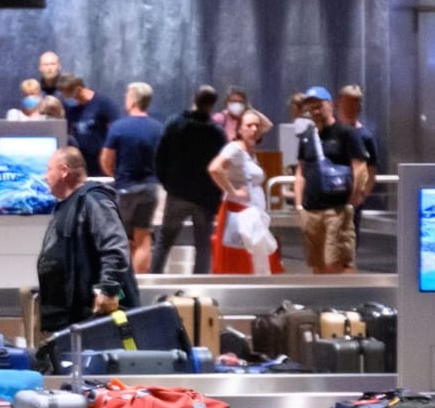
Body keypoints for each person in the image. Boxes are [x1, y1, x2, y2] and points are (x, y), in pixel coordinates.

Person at [37, 146, 134, 334]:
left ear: (64, 171)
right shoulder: (68, 205)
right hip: (68, 317)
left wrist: (108, 289)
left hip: (94, 317)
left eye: (49, 169)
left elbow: (114, 245)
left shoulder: (93, 199)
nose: (45, 176)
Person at [294, 85, 373, 274]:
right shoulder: (307, 137)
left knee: (337, 262)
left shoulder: (346, 133)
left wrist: (353, 199)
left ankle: (345, 302)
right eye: (310, 107)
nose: (314, 110)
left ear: (330, 105)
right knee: (318, 264)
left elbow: (360, 167)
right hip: (311, 210)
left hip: (337, 210)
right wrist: (299, 206)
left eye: (318, 105)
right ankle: (321, 303)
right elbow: (301, 171)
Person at [150, 85, 225, 277]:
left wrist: (168, 184)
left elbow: (160, 156)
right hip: (204, 198)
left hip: (177, 193)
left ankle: (154, 279)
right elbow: (222, 166)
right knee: (203, 245)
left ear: (194, 98)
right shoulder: (217, 132)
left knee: (164, 242)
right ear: (213, 105)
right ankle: (200, 286)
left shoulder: (175, 123)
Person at [206, 107, 282, 276]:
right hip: (239, 214)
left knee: (256, 260)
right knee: (240, 261)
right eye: (249, 126)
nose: (254, 129)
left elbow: (267, 125)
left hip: (252, 213)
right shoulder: (235, 148)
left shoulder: (249, 151)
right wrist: (232, 191)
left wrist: (250, 112)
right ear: (239, 128)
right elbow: (215, 168)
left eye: (256, 126)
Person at [100, 82, 163, 274]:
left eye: (127, 96)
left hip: (126, 189)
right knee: (144, 237)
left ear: (133, 100)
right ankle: (141, 284)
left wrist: (115, 174)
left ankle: (125, 283)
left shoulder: (119, 127)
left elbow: (106, 159)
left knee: (124, 238)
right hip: (151, 189)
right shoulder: (158, 128)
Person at [59, 76, 120, 174]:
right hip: (80, 163)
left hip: (100, 162)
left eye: (70, 96)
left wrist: (109, 153)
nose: (69, 99)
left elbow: (116, 127)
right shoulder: (72, 109)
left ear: (78, 89)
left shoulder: (102, 103)